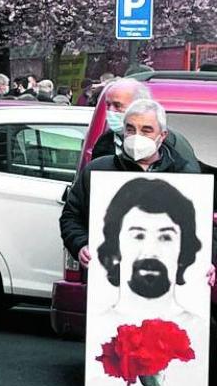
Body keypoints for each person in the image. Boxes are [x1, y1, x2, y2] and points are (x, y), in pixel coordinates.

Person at [60, 99, 202, 270]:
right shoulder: (98, 170)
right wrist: (81, 244)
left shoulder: (185, 175)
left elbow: (205, 228)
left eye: (146, 130)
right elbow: (71, 217)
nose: (137, 136)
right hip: (107, 277)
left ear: (163, 135)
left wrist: (207, 261)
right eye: (130, 129)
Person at [95, 177, 205, 321]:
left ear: (184, 250)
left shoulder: (199, 329)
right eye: (138, 236)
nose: (151, 251)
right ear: (115, 247)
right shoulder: (98, 327)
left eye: (165, 237)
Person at [90, 79, 196, 162]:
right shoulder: (104, 141)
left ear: (139, 106)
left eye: (117, 106)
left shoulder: (173, 143)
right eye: (108, 105)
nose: (111, 110)